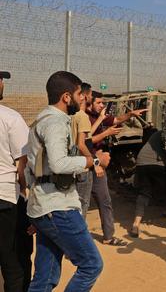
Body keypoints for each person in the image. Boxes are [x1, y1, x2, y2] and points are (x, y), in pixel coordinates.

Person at [25, 71, 111, 291]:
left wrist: (39, 209)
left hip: (46, 207)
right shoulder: (54, 122)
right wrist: (94, 161)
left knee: (44, 278)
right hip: (58, 206)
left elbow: (28, 169)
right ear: (66, 97)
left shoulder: (41, 119)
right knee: (91, 265)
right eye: (79, 95)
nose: (83, 99)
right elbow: (59, 164)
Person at [87, 90, 146, 246]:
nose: (102, 105)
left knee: (105, 200)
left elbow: (116, 119)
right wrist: (106, 133)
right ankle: (74, 242)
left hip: (98, 165)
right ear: (89, 103)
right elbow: (85, 143)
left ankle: (108, 236)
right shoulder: (84, 118)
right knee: (81, 204)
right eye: (98, 102)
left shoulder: (98, 116)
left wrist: (131, 115)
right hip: (88, 164)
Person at [0, 70, 33, 292]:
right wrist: (25, 191)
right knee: (15, 264)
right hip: (6, 199)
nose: (2, 83)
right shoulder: (10, 118)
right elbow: (24, 164)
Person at [129, 130, 166, 238]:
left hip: (141, 162)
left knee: (144, 193)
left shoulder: (158, 133)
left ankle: (136, 224)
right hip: (158, 164)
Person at [72, 82, 103, 218]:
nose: (91, 97)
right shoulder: (83, 116)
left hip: (74, 164)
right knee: (82, 205)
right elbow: (82, 144)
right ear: (84, 97)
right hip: (84, 167)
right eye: (90, 94)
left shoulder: (73, 116)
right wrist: (96, 163)